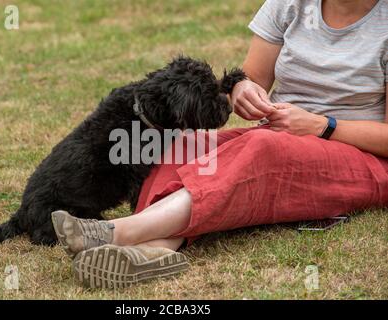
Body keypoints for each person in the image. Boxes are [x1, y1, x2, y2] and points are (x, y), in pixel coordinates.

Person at [52, 0, 388, 289]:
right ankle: (154, 250)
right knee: (181, 144)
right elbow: (251, 77)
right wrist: (242, 89)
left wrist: (321, 126)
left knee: (262, 149)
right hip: (280, 135)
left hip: (361, 158)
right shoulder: (289, 5)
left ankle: (114, 233)